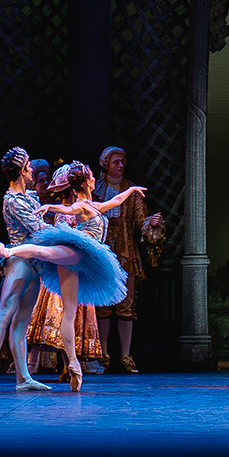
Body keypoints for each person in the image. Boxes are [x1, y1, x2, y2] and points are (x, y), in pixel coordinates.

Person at [0, 161, 140, 391]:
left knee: (70, 311)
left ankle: (73, 363)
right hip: (78, 250)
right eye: (92, 175)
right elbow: (67, 209)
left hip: (83, 258)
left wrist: (132, 190)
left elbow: (115, 201)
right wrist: (50, 208)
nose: (95, 178)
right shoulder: (81, 205)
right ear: (85, 182)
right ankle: (10, 251)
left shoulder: (93, 205)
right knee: (45, 252)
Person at [0, 147, 50, 393]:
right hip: (19, 261)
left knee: (21, 322)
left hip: (33, 264)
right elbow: (37, 228)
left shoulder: (29, 196)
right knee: (4, 316)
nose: (32, 170)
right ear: (22, 171)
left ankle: (23, 378)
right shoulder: (12, 200)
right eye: (29, 167)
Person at [92, 146, 156, 372]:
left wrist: (151, 224)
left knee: (125, 307)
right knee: (102, 306)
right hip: (102, 254)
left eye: (123, 161)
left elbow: (141, 220)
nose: (121, 165)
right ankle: (104, 354)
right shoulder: (96, 190)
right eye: (116, 161)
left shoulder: (131, 189)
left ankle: (126, 355)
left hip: (126, 253)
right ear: (106, 164)